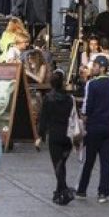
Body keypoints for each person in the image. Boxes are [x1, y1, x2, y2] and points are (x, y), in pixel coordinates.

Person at [76, 56, 109, 203]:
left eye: (94, 66)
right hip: (108, 128)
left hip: (94, 127)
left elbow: (87, 107)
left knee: (89, 161)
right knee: (106, 162)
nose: (92, 68)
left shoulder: (91, 84)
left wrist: (83, 120)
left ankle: (82, 190)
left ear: (102, 68)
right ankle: (103, 192)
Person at [37, 71, 76, 205]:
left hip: (54, 135)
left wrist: (40, 136)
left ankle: (63, 191)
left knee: (58, 165)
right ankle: (59, 192)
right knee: (62, 164)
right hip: (67, 136)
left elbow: (43, 119)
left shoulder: (48, 99)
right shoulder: (69, 99)